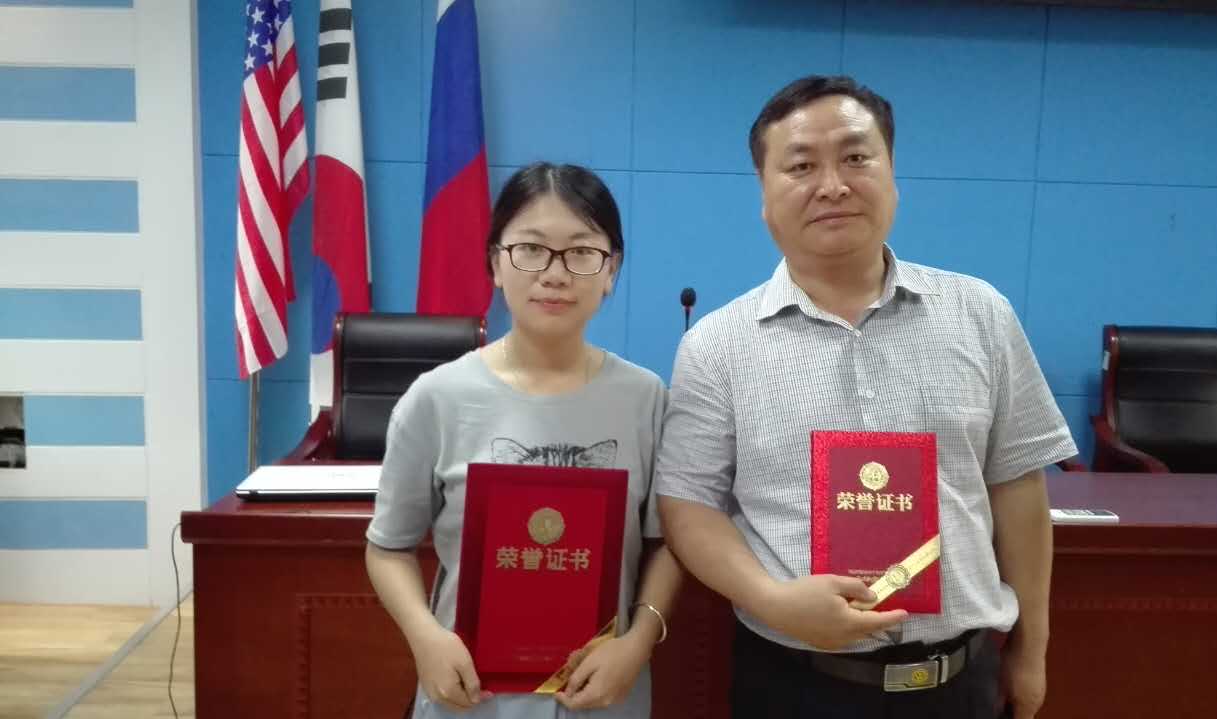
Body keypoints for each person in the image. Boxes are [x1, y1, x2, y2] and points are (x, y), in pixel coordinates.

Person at [655, 75, 1077, 719]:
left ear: (893, 173)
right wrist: (772, 599)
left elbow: (1017, 486)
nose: (832, 185)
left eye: (856, 157)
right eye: (801, 166)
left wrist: (1032, 649)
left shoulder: (980, 314)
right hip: (793, 686)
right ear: (764, 195)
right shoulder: (716, 345)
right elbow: (689, 505)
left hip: (960, 684)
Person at [366, 162, 682, 719]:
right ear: (495, 262)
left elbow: (667, 544)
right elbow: (388, 547)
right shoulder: (436, 398)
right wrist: (425, 637)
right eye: (531, 249)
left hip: (602, 696)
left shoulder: (645, 400)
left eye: (581, 252)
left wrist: (638, 643)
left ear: (611, 270)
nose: (554, 274)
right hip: (473, 697)